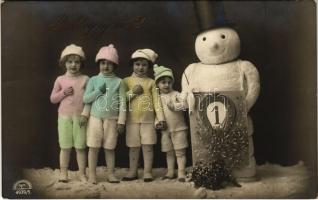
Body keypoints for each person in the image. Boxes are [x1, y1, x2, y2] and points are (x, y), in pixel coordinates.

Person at [83, 44, 126, 184]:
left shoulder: (119, 82)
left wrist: (121, 121)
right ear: (98, 64)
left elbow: (123, 103)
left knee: (110, 147)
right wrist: (98, 92)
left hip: (112, 120)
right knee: (93, 147)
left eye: (109, 63)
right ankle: (92, 175)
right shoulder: (93, 80)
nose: (106, 66)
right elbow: (86, 99)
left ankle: (110, 174)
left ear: (115, 65)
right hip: (95, 118)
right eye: (103, 63)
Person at [122, 49, 166, 182]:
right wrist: (132, 93)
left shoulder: (151, 82)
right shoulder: (126, 81)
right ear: (132, 65)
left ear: (149, 66)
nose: (140, 67)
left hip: (148, 120)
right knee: (133, 146)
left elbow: (157, 102)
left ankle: (147, 172)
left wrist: (161, 118)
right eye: (137, 64)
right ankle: (133, 171)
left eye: (144, 64)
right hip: (131, 120)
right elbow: (120, 100)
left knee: (148, 146)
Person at [50, 44, 89, 182]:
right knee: (65, 147)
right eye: (70, 61)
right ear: (64, 63)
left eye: (77, 62)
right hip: (64, 117)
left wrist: (85, 115)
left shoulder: (85, 79)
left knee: (81, 147)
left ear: (81, 64)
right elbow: (53, 99)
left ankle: (82, 174)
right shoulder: (60, 79)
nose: (73, 65)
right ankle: (63, 173)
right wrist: (63, 93)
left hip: (80, 118)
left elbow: (89, 100)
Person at [153, 64, 189, 182]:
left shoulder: (176, 94)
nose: (167, 85)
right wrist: (157, 123)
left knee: (180, 152)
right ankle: (170, 171)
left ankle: (181, 172)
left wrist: (175, 106)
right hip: (165, 131)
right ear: (157, 83)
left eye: (169, 82)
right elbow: (157, 113)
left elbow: (186, 105)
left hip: (179, 128)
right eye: (163, 82)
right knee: (169, 152)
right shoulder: (157, 98)